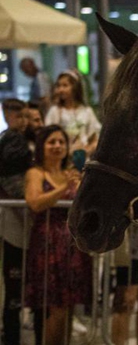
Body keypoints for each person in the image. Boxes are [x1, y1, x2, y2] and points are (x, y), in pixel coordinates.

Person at [24, 125, 92, 345]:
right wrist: (62, 188)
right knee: (55, 307)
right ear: (42, 145)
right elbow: (35, 202)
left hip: (72, 246)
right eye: (51, 141)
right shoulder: (35, 173)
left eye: (61, 142)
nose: (57, 146)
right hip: (48, 244)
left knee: (70, 306)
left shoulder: (71, 173)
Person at [0, 99, 32, 345]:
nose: (25, 121)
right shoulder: (15, 141)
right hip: (13, 217)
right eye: (19, 116)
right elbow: (13, 181)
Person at [44, 69, 101, 168]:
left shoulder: (87, 111)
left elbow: (96, 137)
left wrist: (87, 150)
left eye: (65, 86)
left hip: (83, 162)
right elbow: (47, 137)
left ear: (75, 87)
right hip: (61, 162)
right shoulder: (55, 111)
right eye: (59, 86)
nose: (61, 89)